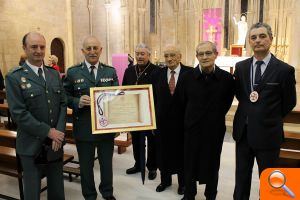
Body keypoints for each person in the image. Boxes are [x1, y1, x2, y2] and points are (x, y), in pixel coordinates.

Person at [233, 22, 297, 200]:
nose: (258, 41)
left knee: (269, 180)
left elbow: (289, 102)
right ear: (249, 42)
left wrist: (268, 117)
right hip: (244, 133)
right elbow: (242, 96)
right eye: (253, 37)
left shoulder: (284, 70)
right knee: (241, 179)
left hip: (268, 134)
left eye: (262, 36)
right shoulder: (241, 67)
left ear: (271, 39)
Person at [5, 32, 66, 200]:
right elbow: (19, 113)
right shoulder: (14, 77)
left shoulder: (53, 74)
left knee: (57, 190)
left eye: (42, 47)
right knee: (32, 192)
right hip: (31, 145)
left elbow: (62, 103)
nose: (39, 51)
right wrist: (49, 131)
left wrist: (58, 134)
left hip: (55, 144)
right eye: (33, 46)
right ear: (24, 48)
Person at [63, 36, 118, 200]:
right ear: (83, 51)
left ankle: (107, 193)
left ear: (101, 50)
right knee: (86, 167)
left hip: (106, 128)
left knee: (106, 165)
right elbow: (64, 96)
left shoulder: (110, 71)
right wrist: (77, 101)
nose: (92, 51)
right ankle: (89, 195)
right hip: (84, 128)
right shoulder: (73, 72)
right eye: (89, 48)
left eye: (95, 48)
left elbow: (118, 97)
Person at [179, 41, 234, 200]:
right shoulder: (187, 77)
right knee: (190, 163)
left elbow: (226, 102)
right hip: (192, 129)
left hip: (214, 129)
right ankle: (190, 194)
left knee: (212, 163)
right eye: (201, 54)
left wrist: (213, 117)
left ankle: (211, 194)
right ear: (196, 57)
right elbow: (183, 102)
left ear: (216, 54)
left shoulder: (227, 78)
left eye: (208, 53)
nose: (204, 57)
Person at [154, 45, 191, 195]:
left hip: (183, 123)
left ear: (180, 56)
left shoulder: (190, 73)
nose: (169, 59)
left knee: (182, 154)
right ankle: (165, 180)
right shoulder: (157, 74)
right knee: (163, 152)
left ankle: (183, 184)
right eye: (166, 56)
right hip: (162, 123)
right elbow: (152, 98)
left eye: (173, 55)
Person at [122, 43, 158, 180]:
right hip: (134, 113)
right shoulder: (129, 71)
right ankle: (138, 164)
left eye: (142, 54)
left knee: (152, 141)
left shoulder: (157, 71)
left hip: (150, 113)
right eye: (137, 54)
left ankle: (152, 167)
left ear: (149, 55)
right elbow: (124, 90)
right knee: (136, 140)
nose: (139, 56)